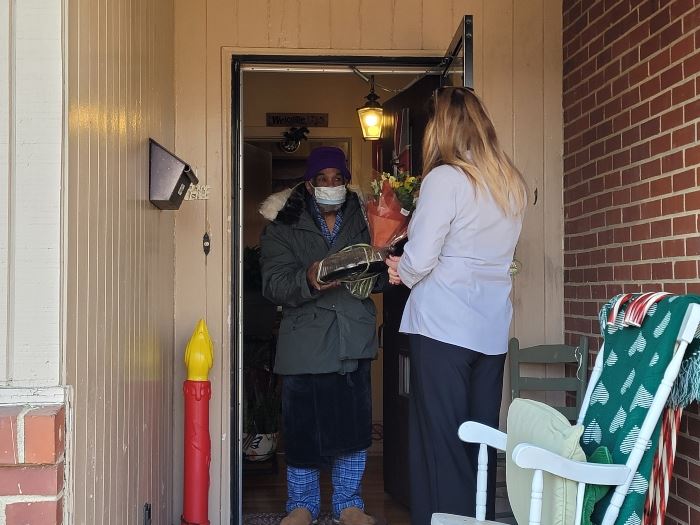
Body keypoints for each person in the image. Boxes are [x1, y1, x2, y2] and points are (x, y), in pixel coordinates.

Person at [385, 87, 528, 525]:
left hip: (443, 327)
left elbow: (422, 255)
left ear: (441, 129)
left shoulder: (445, 179)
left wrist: (400, 270)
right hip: (490, 331)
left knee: (441, 439)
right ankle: (477, 519)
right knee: (479, 438)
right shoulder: (510, 182)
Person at [259, 146, 385, 525]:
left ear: (347, 182)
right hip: (305, 342)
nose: (331, 185)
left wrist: (372, 273)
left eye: (338, 179)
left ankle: (348, 504)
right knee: (302, 429)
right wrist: (308, 279)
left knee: (352, 426)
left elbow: (384, 272)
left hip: (352, 336)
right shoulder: (283, 224)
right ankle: (302, 505)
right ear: (309, 184)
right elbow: (273, 284)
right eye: (322, 179)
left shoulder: (366, 217)